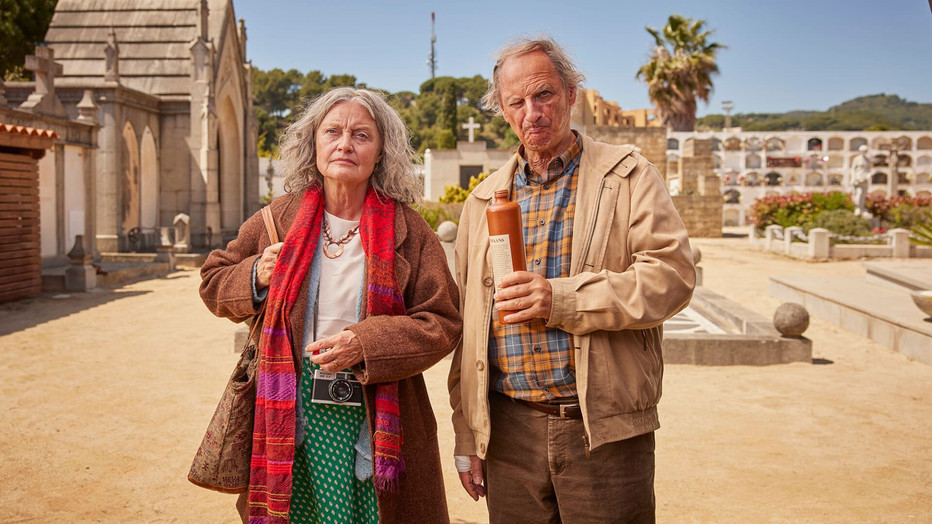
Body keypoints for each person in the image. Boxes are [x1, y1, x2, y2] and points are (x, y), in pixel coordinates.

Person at [448, 37, 696, 523]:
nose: (532, 113)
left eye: (544, 94)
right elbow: (468, 327)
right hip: (508, 436)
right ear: (503, 110)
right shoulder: (482, 201)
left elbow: (671, 276)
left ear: (571, 94)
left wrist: (560, 299)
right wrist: (467, 433)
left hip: (603, 434)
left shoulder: (628, 176)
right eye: (516, 102)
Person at [200, 87, 462, 523]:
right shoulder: (278, 218)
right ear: (314, 144)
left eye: (361, 135)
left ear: (381, 152)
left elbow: (443, 321)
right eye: (333, 132)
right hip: (288, 409)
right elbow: (212, 280)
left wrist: (366, 344)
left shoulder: (410, 230)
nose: (345, 144)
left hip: (377, 411)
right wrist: (257, 273)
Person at [850, 144, 871, 216]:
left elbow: (869, 170)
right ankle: (858, 208)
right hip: (858, 179)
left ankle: (863, 209)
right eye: (862, 151)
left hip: (865, 180)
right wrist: (854, 178)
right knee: (858, 194)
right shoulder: (857, 159)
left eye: (865, 151)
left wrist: (868, 176)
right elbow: (853, 169)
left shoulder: (868, 160)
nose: (864, 152)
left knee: (863, 195)